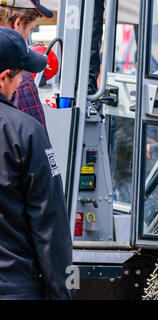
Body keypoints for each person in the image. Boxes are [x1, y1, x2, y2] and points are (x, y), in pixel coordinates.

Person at [0, 27, 73, 300]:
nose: (21, 84)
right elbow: (50, 226)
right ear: (3, 77)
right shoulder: (25, 132)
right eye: (20, 76)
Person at [0, 0, 55, 127]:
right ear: (17, 24)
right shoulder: (20, 79)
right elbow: (33, 139)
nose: (27, 36)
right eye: (30, 29)